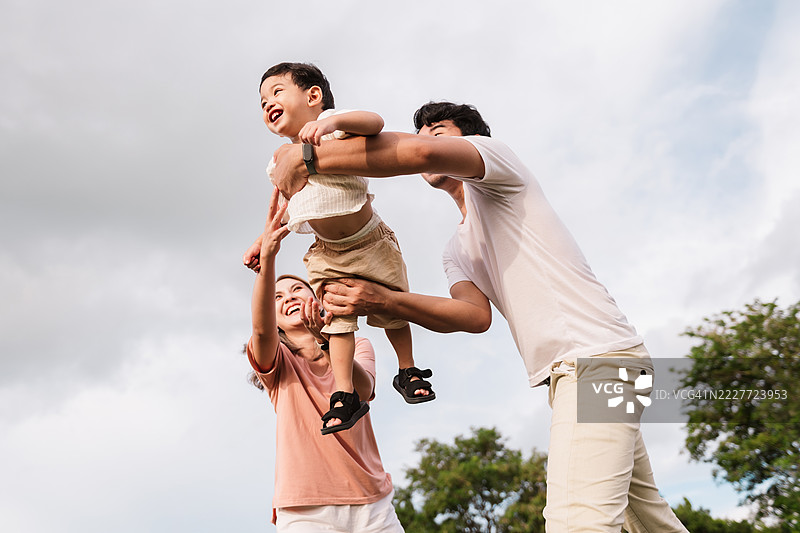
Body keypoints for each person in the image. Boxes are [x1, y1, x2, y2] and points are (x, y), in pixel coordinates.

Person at [260, 102, 688, 532]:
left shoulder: (498, 164)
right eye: (421, 131)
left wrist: (305, 157)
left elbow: (419, 154)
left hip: (598, 362)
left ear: (467, 139)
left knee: (576, 522)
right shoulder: (457, 248)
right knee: (645, 519)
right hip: (585, 370)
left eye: (438, 131)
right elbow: (471, 316)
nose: (426, 139)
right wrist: (382, 302)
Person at [244, 62, 435, 436]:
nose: (268, 103)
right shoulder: (279, 161)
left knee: (395, 304)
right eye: (262, 101)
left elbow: (375, 122)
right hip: (327, 253)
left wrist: (331, 124)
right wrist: (259, 240)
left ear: (313, 96)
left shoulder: (332, 126)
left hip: (370, 239)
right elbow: (285, 204)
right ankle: (344, 392)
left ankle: (407, 367)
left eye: (277, 92)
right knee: (336, 323)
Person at [244, 187, 405, 532]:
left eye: (297, 289)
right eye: (277, 296)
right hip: (306, 508)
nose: (288, 297)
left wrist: (324, 339)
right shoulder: (279, 361)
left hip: (372, 502)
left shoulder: (356, 344)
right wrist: (268, 260)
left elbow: (362, 389)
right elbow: (260, 333)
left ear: (318, 296)